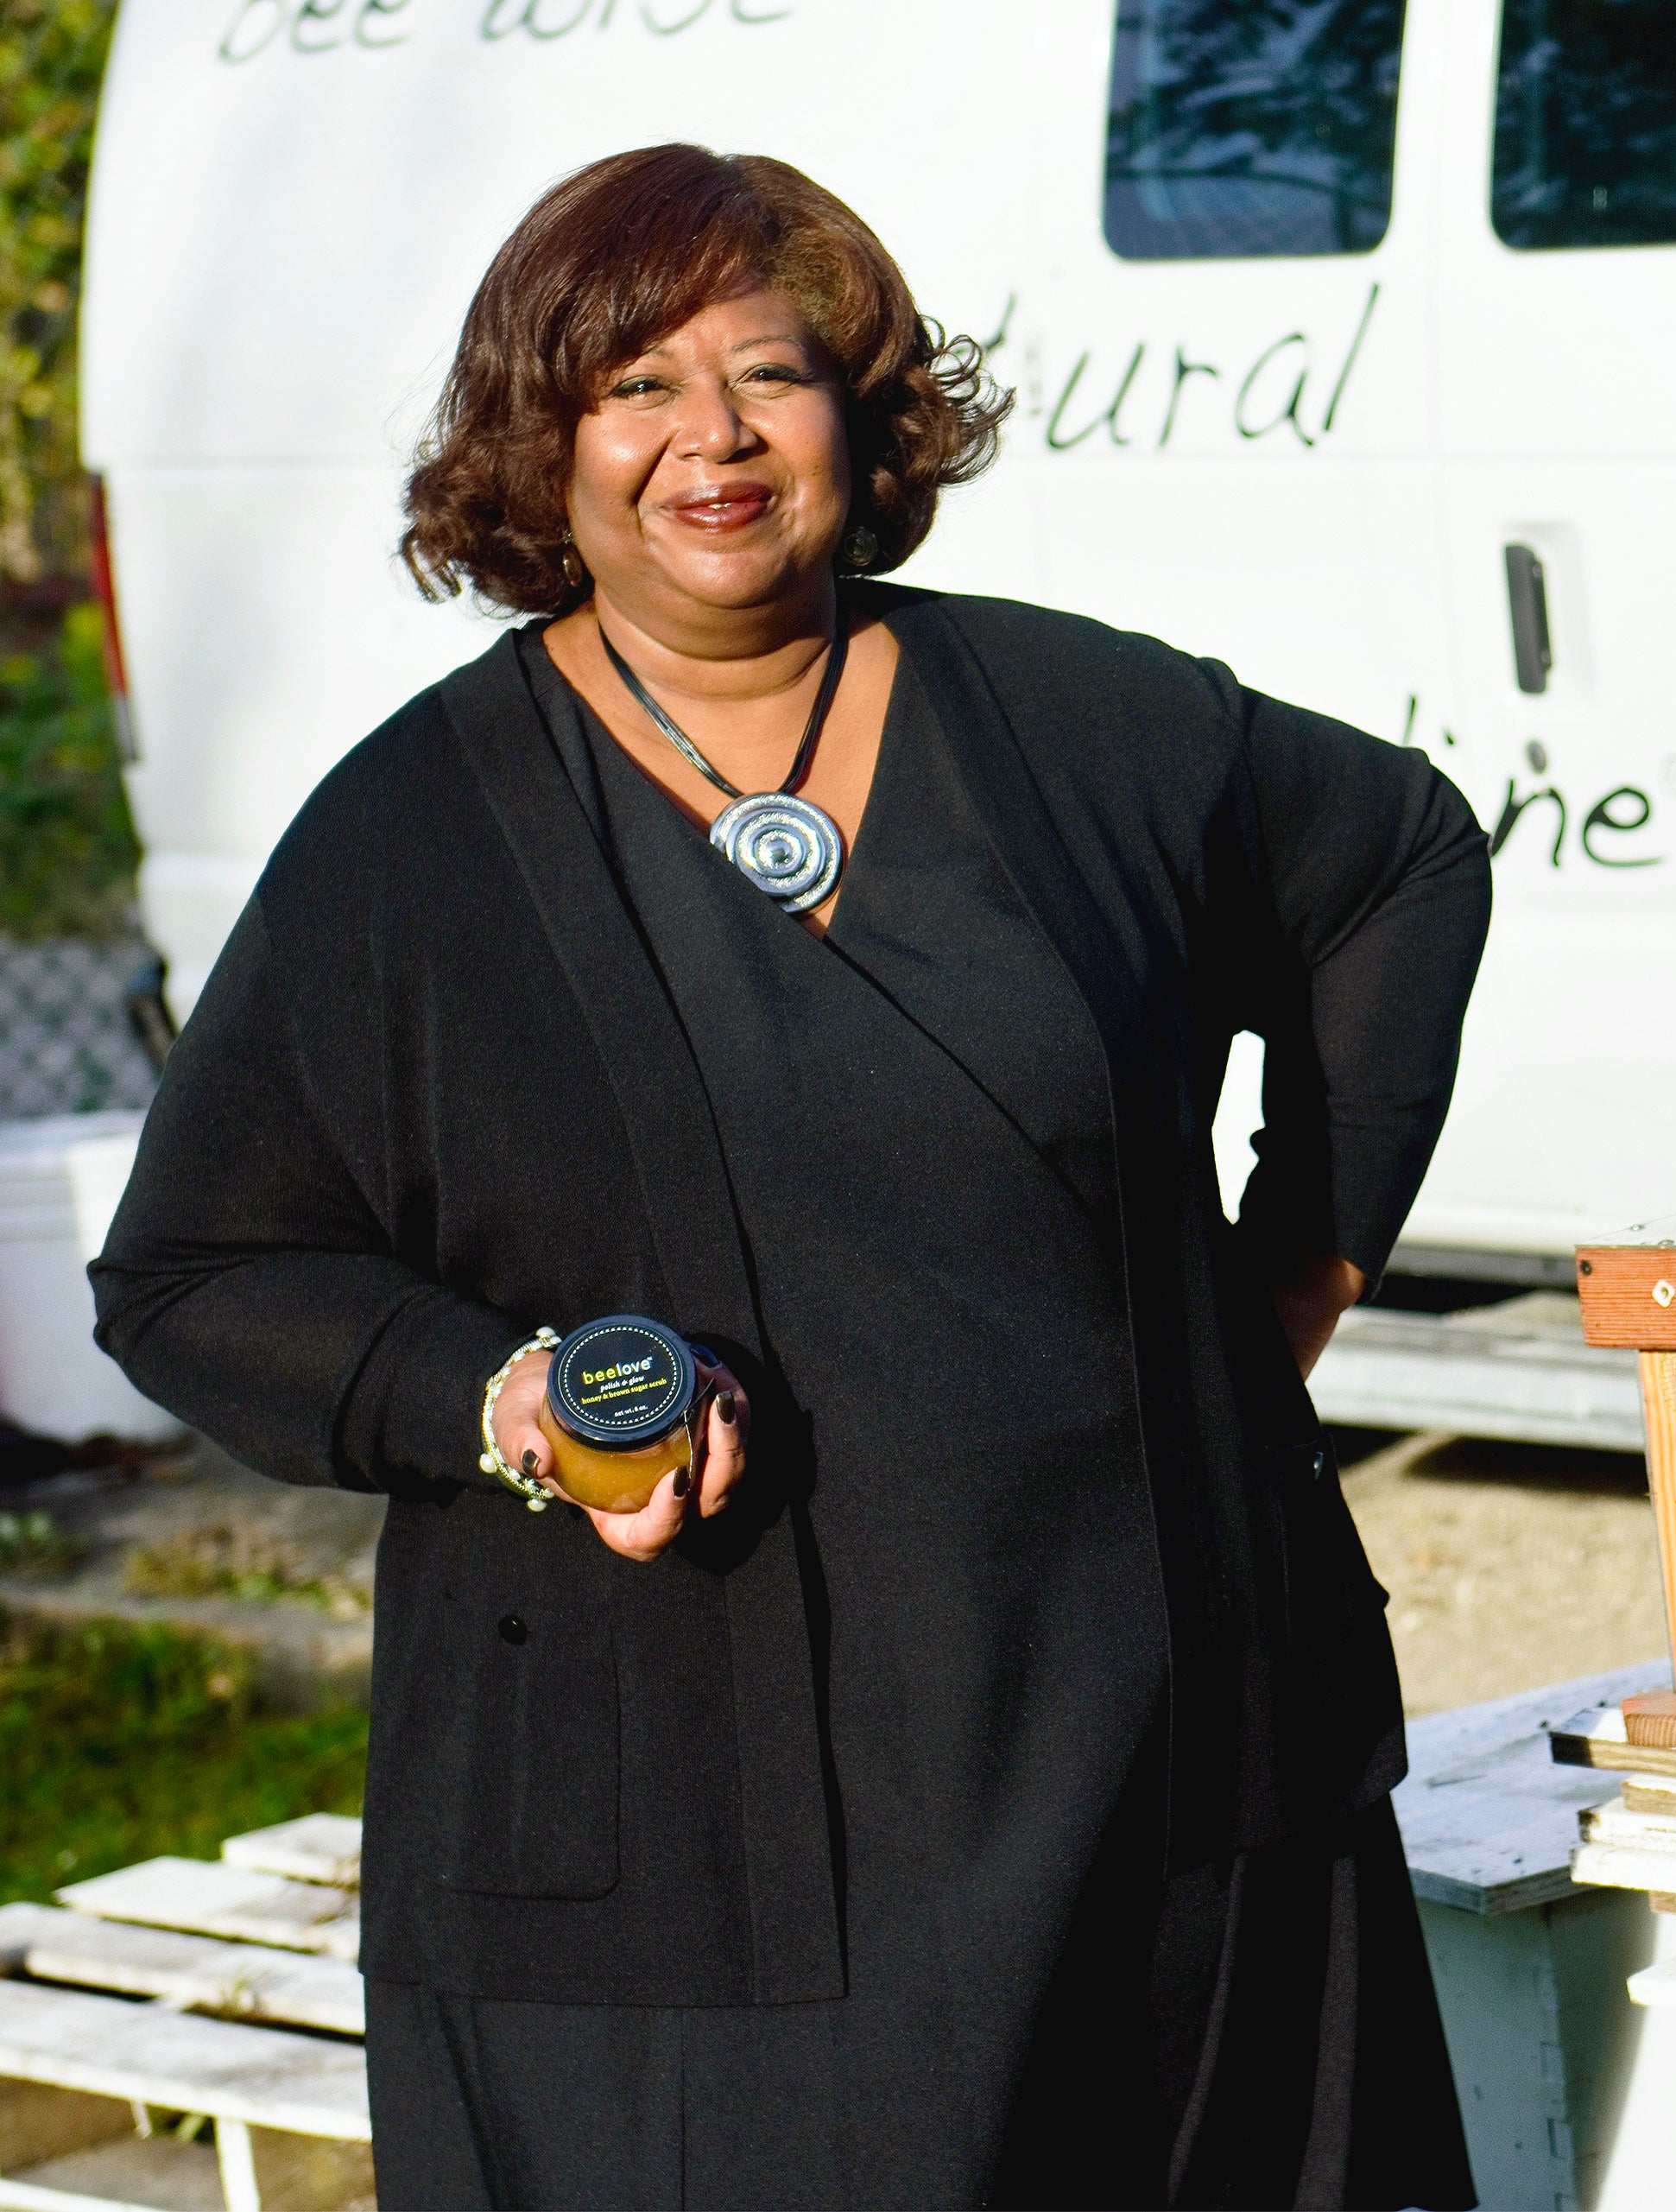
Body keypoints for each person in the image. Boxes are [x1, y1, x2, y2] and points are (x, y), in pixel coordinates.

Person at [89, 143, 1488, 2211]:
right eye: (634, 385)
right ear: (538, 443)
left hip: (1164, 1761)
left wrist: (1302, 1263)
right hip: (689, 1847)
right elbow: (196, 1271)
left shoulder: (1075, 721)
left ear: (867, 414)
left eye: (770, 373)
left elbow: (1398, 861)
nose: (712, 440)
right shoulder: (411, 842)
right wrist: (505, 1400)